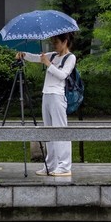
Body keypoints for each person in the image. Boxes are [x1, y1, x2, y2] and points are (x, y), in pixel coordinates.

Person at [16, 32, 76, 177]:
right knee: (48, 130)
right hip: (47, 94)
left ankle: (64, 166)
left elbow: (63, 75)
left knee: (60, 130)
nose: (54, 45)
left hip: (57, 95)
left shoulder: (70, 57)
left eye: (56, 42)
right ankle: (51, 164)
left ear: (65, 41)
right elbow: (37, 58)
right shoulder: (54, 55)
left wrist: (48, 64)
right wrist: (24, 54)